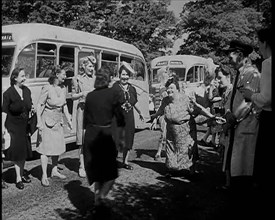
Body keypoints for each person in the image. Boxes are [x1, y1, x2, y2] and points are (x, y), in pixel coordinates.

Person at [151, 76, 218, 178]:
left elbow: (198, 109)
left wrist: (211, 116)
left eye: (172, 88)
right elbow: (160, 110)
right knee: (171, 151)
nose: (169, 90)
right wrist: (155, 118)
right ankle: (171, 170)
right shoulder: (165, 100)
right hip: (171, 132)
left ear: (177, 89)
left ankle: (192, 172)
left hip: (185, 131)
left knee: (188, 150)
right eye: (168, 88)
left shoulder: (185, 99)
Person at [83, 68, 125, 217]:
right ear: (108, 79)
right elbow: (120, 118)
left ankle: (97, 204)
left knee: (98, 172)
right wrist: (120, 139)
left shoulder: (90, 96)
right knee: (111, 173)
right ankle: (101, 198)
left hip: (90, 135)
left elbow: (85, 120)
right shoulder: (112, 93)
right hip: (104, 135)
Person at [220, 40, 261, 190]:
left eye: (231, 58)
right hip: (236, 126)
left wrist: (231, 119)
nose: (229, 62)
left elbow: (247, 103)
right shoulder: (239, 74)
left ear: (240, 55)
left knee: (244, 169)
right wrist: (228, 112)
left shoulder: (252, 74)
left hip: (245, 125)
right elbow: (230, 99)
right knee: (234, 163)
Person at [240, 27, 272, 189]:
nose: (258, 47)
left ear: (265, 43)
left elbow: (266, 98)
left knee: (264, 166)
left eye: (259, 43)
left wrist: (250, 95)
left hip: (269, 120)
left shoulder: (268, 63)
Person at [36, 65, 72, 187]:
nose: (65, 77)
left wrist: (69, 119)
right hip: (47, 121)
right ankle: (44, 175)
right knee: (45, 149)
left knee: (57, 147)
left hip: (58, 121)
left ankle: (54, 170)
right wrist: (39, 122)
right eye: (64, 74)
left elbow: (64, 105)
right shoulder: (47, 87)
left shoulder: (63, 88)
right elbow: (40, 104)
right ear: (57, 74)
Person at [2, 67, 33, 190]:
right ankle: (18, 178)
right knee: (17, 152)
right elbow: (4, 112)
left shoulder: (27, 91)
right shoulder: (8, 93)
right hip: (13, 126)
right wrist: (2, 127)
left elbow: (29, 104)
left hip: (24, 126)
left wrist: (32, 108)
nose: (25, 78)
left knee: (23, 152)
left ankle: (21, 174)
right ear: (15, 78)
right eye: (22, 76)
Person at [112, 62, 144, 170]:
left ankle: (125, 161)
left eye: (126, 75)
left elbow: (135, 102)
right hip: (117, 118)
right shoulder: (115, 87)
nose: (124, 77)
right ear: (119, 75)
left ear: (129, 76)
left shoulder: (132, 89)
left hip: (129, 118)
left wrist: (140, 113)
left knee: (128, 138)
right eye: (123, 74)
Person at [71, 55, 96, 178]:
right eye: (90, 66)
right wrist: (82, 93)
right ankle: (82, 166)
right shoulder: (77, 79)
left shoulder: (97, 79)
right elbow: (72, 96)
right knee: (82, 140)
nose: (92, 69)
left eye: (93, 66)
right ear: (84, 66)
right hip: (82, 110)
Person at [151, 67, 169, 161]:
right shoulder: (160, 89)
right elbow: (158, 105)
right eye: (165, 72)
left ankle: (168, 152)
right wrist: (155, 118)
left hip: (171, 113)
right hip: (163, 114)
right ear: (162, 75)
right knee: (163, 134)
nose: (167, 74)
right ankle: (158, 152)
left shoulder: (169, 86)